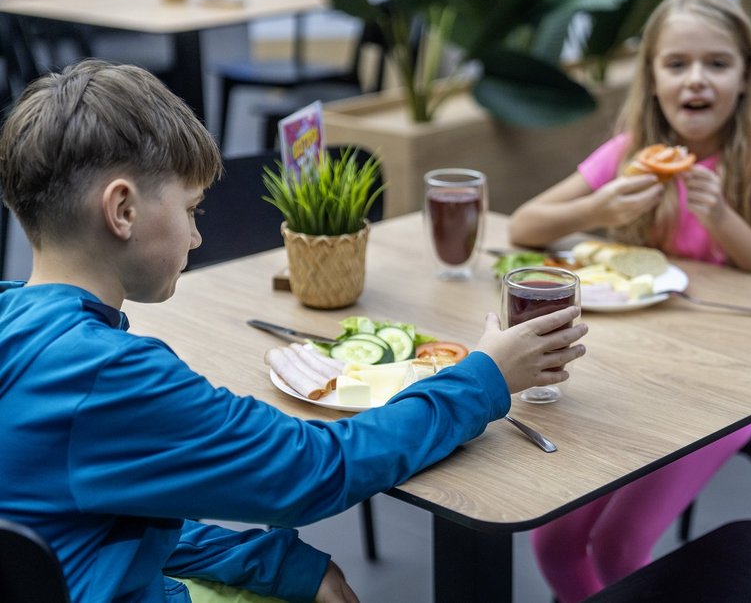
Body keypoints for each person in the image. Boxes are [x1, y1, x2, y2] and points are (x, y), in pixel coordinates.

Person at [0, 60, 588, 603]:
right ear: (122, 210)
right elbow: (316, 467)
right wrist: (486, 375)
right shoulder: (108, 375)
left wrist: (274, 561)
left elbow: (93, 520)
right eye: (192, 209)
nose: (198, 237)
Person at [509, 0, 751, 603]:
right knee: (552, 543)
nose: (695, 81)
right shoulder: (633, 154)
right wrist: (599, 203)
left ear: (745, 74)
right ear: (650, 77)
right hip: (640, 376)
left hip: (729, 388)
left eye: (716, 64)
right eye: (676, 64)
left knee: (620, 548)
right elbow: (522, 227)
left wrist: (725, 219)